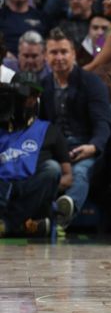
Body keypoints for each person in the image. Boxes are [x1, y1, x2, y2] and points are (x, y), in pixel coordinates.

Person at [42, 28, 111, 228]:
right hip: (55, 150)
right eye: (54, 52)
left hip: (86, 147)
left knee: (80, 171)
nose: (59, 57)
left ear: (73, 54)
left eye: (64, 52)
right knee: (49, 170)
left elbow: (103, 122)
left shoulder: (92, 82)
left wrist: (93, 147)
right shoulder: (43, 85)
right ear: (46, 56)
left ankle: (64, 213)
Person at [0, 72, 71, 237]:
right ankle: (23, 226)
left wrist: (43, 188)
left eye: (32, 95)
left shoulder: (50, 130)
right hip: (2, 185)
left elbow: (67, 176)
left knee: (52, 169)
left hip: (29, 187)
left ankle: (9, 224)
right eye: (21, 95)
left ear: (37, 96)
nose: (27, 100)